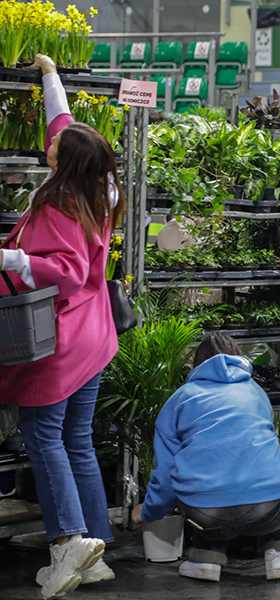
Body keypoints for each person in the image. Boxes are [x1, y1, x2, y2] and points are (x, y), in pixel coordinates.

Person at [0, 54, 123, 600]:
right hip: (95, 336)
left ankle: (67, 542)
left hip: (59, 338)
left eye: (53, 149)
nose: (47, 145)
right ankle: (94, 551)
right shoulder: (102, 189)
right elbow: (63, 125)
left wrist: (9, 261)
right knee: (77, 440)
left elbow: (66, 275)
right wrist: (50, 75)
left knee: (43, 435)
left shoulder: (61, 204)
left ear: (65, 164)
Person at [130, 333, 280, 582]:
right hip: (268, 510)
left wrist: (148, 512)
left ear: (196, 364)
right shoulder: (256, 392)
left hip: (205, 516)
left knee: (199, 478)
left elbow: (166, 473)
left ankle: (206, 557)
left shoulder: (181, 398)